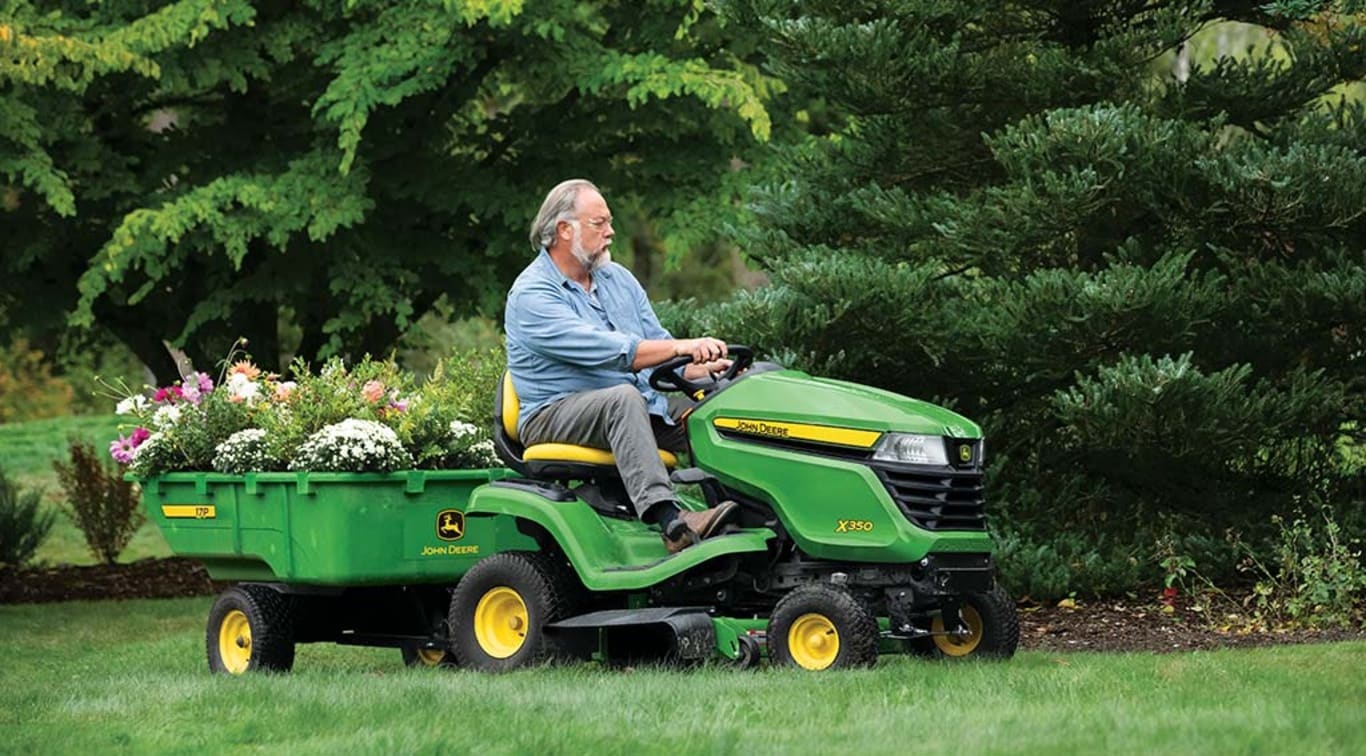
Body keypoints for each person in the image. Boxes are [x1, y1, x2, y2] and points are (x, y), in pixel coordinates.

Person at [505, 179, 738, 553]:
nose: (611, 232)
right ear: (565, 230)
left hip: (633, 406)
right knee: (622, 398)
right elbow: (612, 352)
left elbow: (664, 352)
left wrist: (708, 370)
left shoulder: (619, 281)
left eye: (609, 222)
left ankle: (749, 514)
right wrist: (681, 345)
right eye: (599, 223)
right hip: (553, 412)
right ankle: (671, 521)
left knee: (721, 411)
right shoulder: (532, 295)